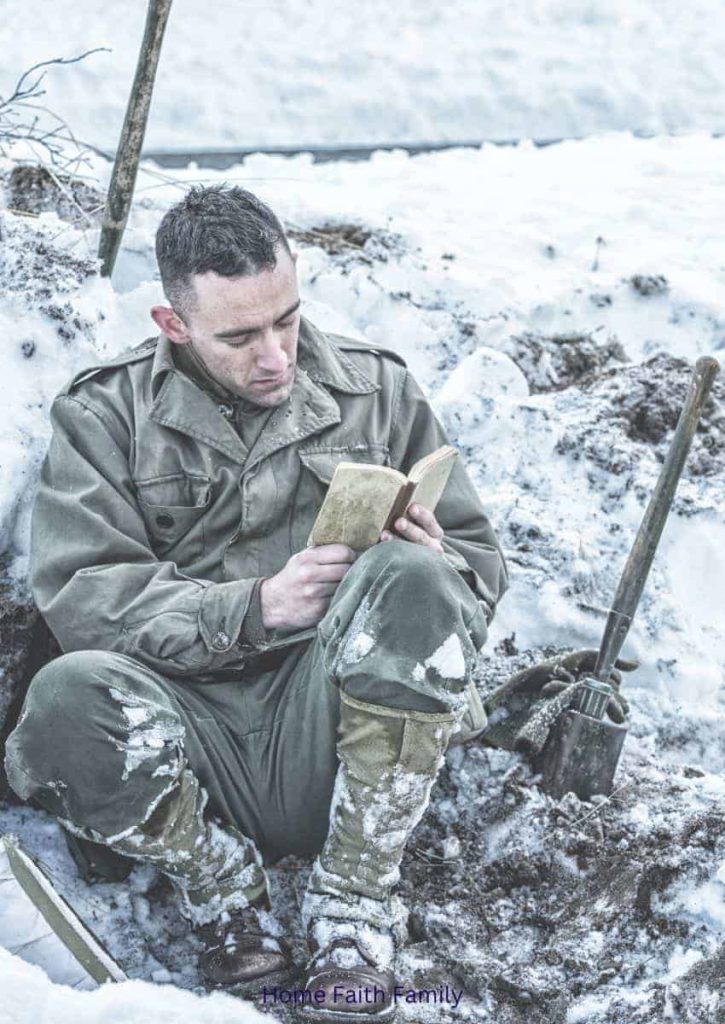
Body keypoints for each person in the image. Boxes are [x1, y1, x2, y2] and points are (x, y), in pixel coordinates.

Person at [3, 186, 628, 1021]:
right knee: (64, 695)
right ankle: (222, 890)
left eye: (287, 319)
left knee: (412, 577)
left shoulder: (377, 392)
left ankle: (354, 904)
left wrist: (435, 570)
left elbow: (477, 564)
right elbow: (86, 594)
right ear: (172, 325)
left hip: (338, 726)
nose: (275, 355)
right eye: (240, 335)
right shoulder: (105, 414)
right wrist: (254, 607)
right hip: (187, 738)